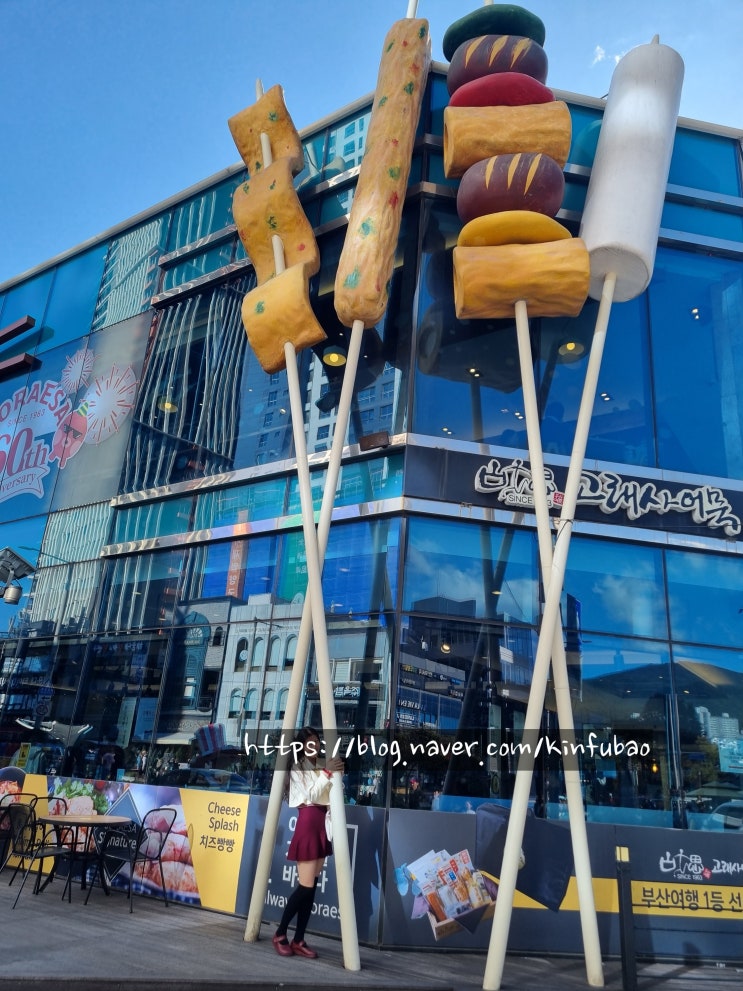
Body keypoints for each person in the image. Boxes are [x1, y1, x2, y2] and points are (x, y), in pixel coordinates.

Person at [273, 726, 343, 959]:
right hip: (307, 825)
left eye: (316, 742)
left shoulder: (320, 765)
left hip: (322, 825)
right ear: (302, 746)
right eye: (310, 743)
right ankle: (280, 934)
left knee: (311, 888)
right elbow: (311, 795)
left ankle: (299, 938)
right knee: (305, 887)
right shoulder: (298, 768)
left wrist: (331, 773)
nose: (314, 746)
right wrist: (326, 772)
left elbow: (331, 793)